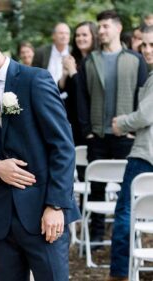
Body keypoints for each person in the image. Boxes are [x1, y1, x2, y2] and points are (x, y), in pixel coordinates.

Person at [0, 16, 80, 281]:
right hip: (0, 222)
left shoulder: (35, 80)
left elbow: (63, 147)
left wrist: (56, 206)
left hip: (44, 217)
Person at [77, 10, 148, 246]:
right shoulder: (89, 61)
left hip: (126, 137)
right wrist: (87, 129)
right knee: (95, 188)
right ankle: (96, 237)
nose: (101, 31)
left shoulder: (135, 60)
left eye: (106, 26)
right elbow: (82, 98)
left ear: (118, 28)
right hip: (97, 135)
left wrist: (132, 130)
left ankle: (124, 237)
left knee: (125, 192)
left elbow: (142, 97)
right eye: (100, 26)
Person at [107, 24, 153, 281]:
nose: (146, 50)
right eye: (143, 44)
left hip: (145, 156)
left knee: (125, 213)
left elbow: (145, 115)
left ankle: (119, 274)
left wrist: (121, 123)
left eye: (152, 45)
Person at [58, 21, 99, 147]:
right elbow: (61, 89)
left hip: (89, 122)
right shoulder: (73, 59)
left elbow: (83, 91)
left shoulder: (97, 61)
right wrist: (65, 73)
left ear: (93, 36)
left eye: (84, 35)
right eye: (77, 35)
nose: (80, 38)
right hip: (72, 120)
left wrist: (73, 72)